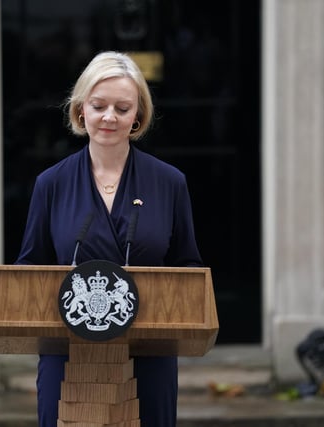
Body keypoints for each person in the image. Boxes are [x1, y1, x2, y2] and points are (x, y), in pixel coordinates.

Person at [16, 50, 203, 427]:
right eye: (99, 105)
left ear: (138, 116)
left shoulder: (169, 183)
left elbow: (189, 268)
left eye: (122, 108)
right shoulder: (51, 184)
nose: (109, 117)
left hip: (149, 353)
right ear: (81, 109)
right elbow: (28, 272)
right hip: (67, 352)